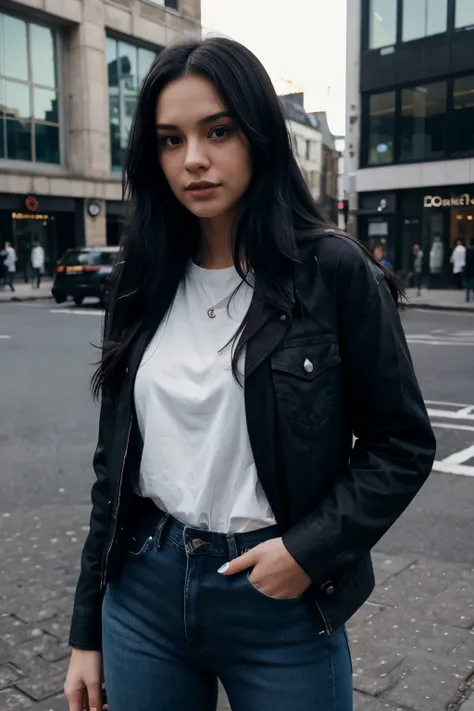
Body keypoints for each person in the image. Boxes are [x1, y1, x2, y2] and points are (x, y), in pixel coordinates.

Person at [64, 37, 436, 711]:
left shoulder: (333, 271)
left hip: (279, 595)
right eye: (171, 140)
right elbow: (109, 466)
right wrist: (85, 627)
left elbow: (401, 444)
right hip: (143, 587)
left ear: (259, 134)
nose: (194, 159)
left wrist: (307, 551)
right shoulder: (140, 279)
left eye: (219, 130)